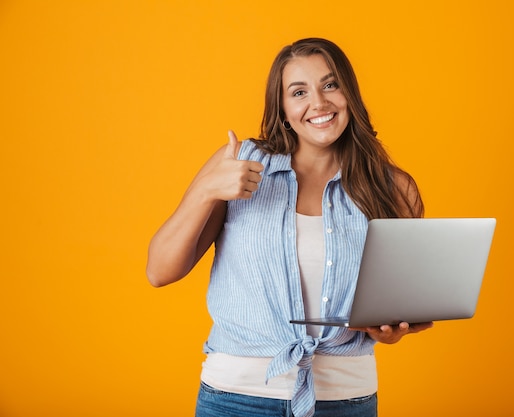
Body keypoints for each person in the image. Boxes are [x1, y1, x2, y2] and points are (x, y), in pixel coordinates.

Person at [146, 37, 433, 417]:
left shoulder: (393, 188)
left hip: (346, 400)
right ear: (282, 109)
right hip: (236, 398)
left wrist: (391, 330)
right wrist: (206, 191)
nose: (319, 103)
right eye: (299, 92)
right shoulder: (240, 163)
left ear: (350, 93)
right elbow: (159, 271)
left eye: (330, 85)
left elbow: (397, 307)